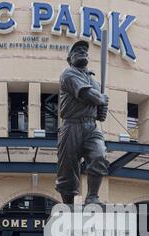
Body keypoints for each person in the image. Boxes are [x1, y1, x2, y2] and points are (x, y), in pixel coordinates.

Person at [56, 40, 109, 205]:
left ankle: (92, 197)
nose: (82, 52)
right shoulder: (68, 74)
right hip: (71, 125)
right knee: (68, 169)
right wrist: (102, 99)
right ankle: (68, 205)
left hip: (91, 126)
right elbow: (87, 95)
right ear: (69, 58)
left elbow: (100, 109)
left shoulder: (95, 82)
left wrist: (102, 108)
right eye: (77, 51)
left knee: (99, 155)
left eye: (84, 51)